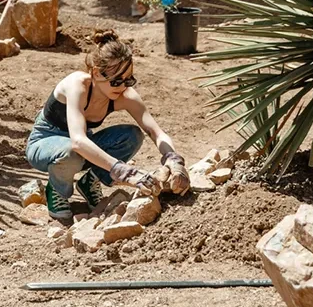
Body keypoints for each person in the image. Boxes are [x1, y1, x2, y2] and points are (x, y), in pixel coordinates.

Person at [25, 30, 190, 222]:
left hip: (79, 146)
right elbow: (78, 141)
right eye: (116, 81)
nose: (122, 86)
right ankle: (57, 189)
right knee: (72, 151)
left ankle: (91, 181)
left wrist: (174, 160)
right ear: (96, 73)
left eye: (128, 80)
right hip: (46, 142)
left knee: (133, 135)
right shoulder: (77, 84)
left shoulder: (125, 95)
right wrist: (126, 172)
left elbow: (155, 131)